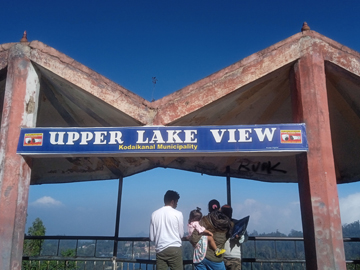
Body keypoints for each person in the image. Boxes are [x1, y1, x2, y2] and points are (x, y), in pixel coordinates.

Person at [189, 200, 232, 270]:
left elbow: (193, 239)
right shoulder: (227, 223)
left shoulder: (204, 220)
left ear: (208, 209)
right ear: (219, 208)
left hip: (202, 256)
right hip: (216, 259)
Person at [150, 190, 184, 270]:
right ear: (172, 201)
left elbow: (152, 237)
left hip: (160, 250)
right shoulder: (178, 214)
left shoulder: (154, 214)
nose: (177, 204)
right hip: (174, 248)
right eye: (176, 202)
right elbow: (181, 234)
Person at [221, 205, 248, 270]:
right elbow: (246, 237)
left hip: (221, 256)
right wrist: (240, 237)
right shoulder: (238, 224)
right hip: (235, 256)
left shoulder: (219, 224)